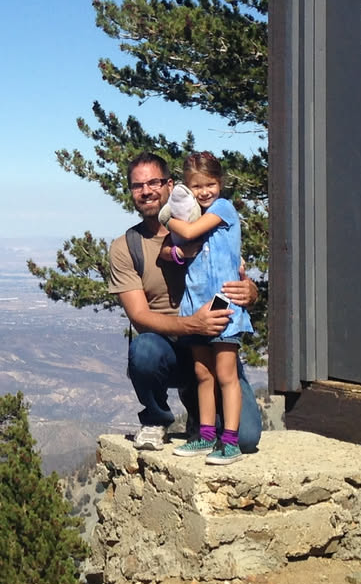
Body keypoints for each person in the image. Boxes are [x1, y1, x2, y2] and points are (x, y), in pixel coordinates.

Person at [107, 152, 262, 454]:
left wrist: (250, 292)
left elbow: (234, 270)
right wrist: (191, 324)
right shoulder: (126, 247)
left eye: (154, 182)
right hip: (171, 348)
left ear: (172, 185)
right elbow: (139, 316)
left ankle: (201, 421)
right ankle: (156, 419)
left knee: (245, 438)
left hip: (213, 339)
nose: (146, 191)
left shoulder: (210, 224)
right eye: (137, 185)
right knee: (144, 349)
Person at [162, 152, 252, 465]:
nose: (204, 192)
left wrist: (164, 216)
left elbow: (187, 233)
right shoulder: (192, 215)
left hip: (223, 300)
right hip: (195, 303)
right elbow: (176, 246)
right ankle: (206, 435)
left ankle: (231, 441)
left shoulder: (223, 207)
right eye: (196, 186)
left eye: (210, 184)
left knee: (226, 374)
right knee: (203, 373)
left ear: (220, 182)